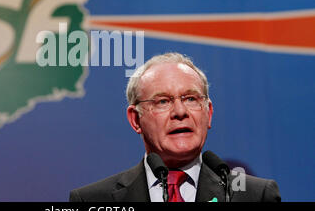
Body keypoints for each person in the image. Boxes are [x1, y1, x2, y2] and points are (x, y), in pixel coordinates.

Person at [69, 52, 281, 202]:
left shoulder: (254, 195)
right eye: (162, 101)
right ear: (135, 119)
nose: (180, 112)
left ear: (209, 113)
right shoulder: (93, 200)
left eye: (190, 99)